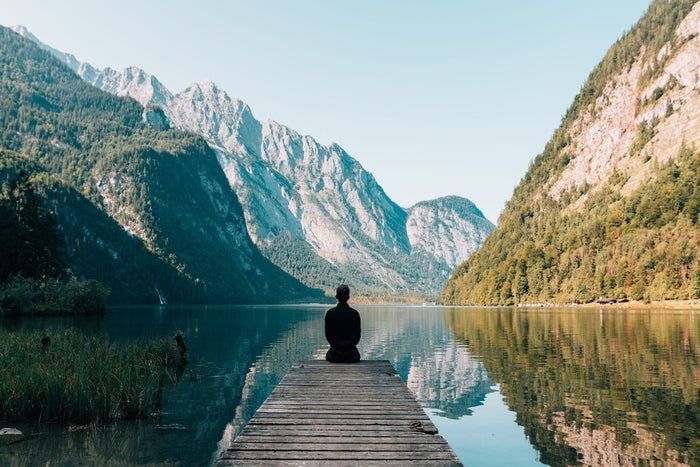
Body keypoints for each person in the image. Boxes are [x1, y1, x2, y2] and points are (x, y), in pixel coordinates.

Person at [325, 284, 361, 363]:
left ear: (336, 296)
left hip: (334, 355)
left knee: (328, 355)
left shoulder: (330, 313)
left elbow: (328, 336)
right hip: (351, 355)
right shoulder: (355, 314)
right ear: (348, 297)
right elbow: (357, 337)